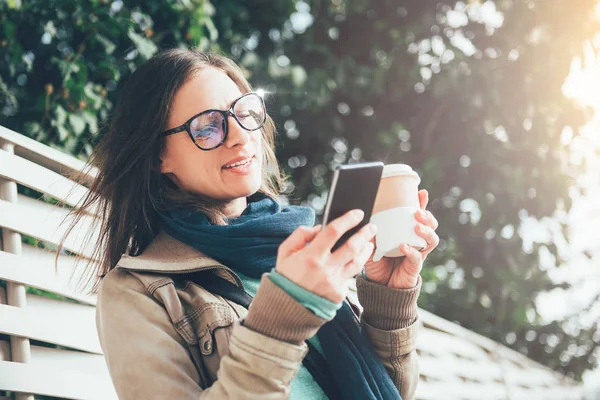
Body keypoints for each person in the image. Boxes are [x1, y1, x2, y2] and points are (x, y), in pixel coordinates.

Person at [64, 49, 439, 399]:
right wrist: (280, 321)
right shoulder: (138, 292)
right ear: (158, 157)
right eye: (208, 127)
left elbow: (387, 390)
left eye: (244, 112)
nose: (241, 136)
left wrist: (388, 300)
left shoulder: (299, 251)